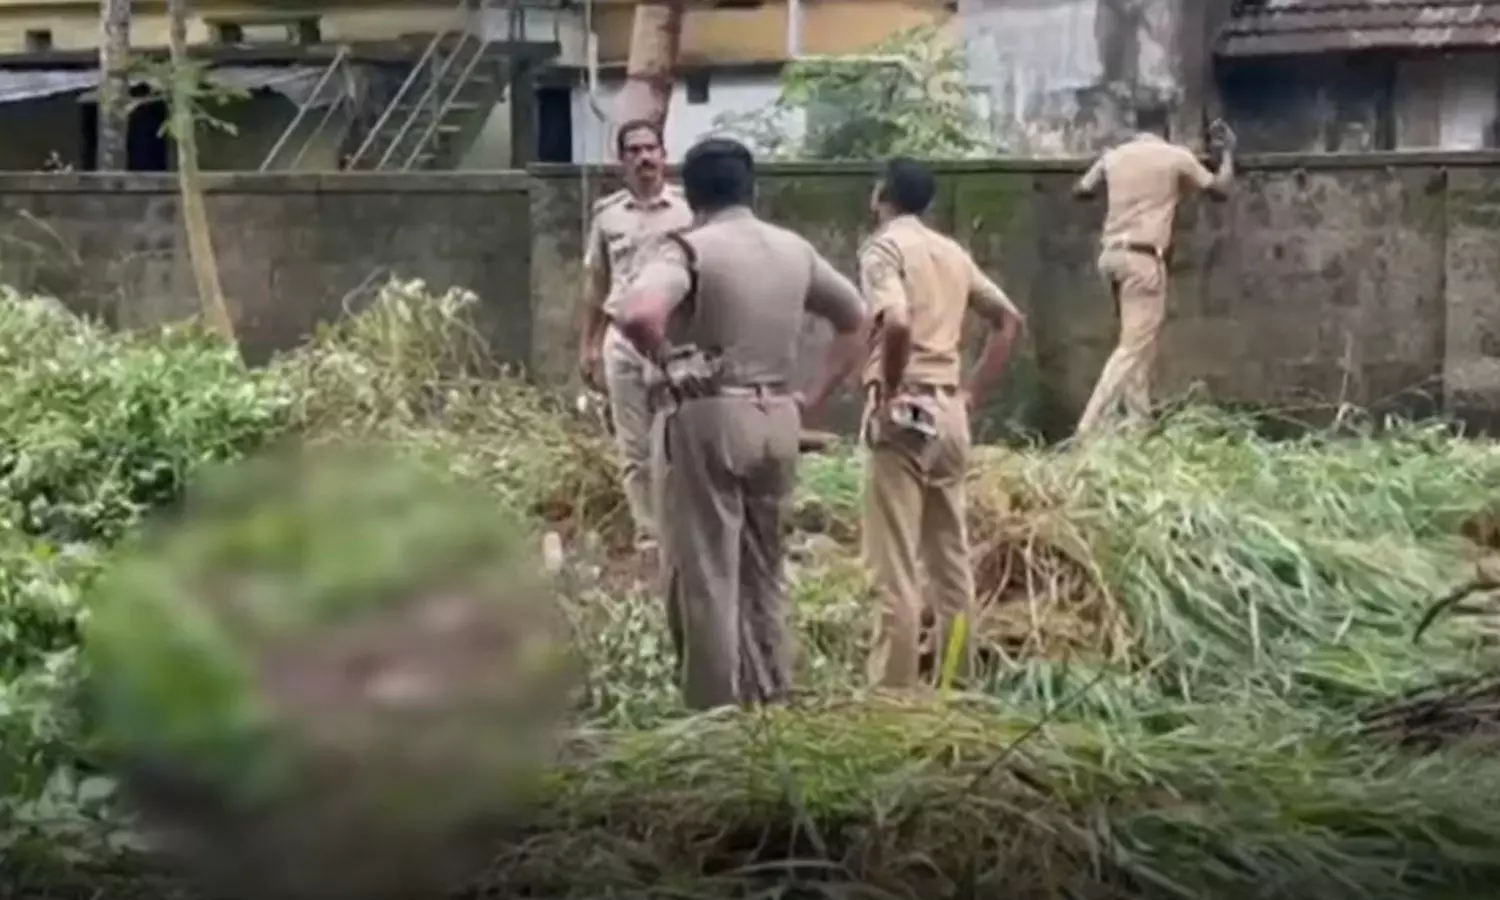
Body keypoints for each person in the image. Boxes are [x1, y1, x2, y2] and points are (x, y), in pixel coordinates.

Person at [616, 138, 868, 711]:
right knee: (763, 570)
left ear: (692, 192)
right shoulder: (794, 249)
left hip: (709, 417)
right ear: (751, 187)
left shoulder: (688, 248)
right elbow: (856, 318)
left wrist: (672, 360)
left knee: (705, 576)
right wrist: (814, 397)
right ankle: (769, 696)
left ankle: (715, 718)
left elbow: (637, 314)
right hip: (777, 418)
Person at [859, 157, 1027, 691]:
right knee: (950, 562)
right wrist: (972, 393)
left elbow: (896, 320)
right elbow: (1009, 321)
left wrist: (889, 390)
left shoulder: (884, 249)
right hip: (951, 412)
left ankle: (893, 699)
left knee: (893, 567)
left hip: (906, 411)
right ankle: (958, 683)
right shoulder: (952, 253)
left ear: (880, 194)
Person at [1071, 110, 1237, 436]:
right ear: (1166, 129)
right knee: (1132, 348)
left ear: (1136, 128)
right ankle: (1089, 426)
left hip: (1111, 256)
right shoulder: (1174, 156)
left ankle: (1139, 422)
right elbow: (1219, 190)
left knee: (1136, 342)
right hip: (1144, 259)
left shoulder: (1113, 156)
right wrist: (1228, 153)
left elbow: (1081, 190)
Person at [577, 119, 693, 564]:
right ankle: (649, 538)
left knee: (678, 440)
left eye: (651, 149)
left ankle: (681, 532)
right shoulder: (607, 216)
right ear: (621, 160)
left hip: (673, 339)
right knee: (634, 447)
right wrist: (589, 345)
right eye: (634, 150)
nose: (644, 157)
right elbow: (595, 281)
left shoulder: (688, 211)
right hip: (622, 340)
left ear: (664, 155)